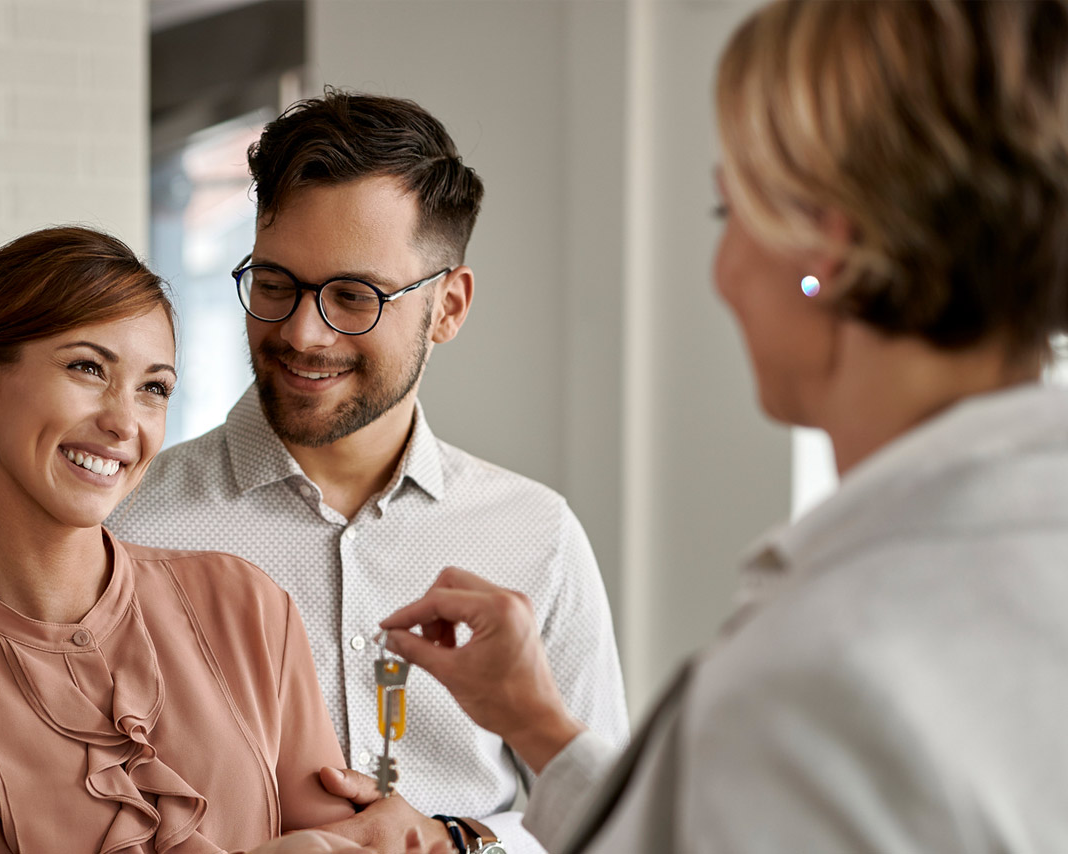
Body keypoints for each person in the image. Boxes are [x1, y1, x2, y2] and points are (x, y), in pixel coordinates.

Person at [378, 1, 1068, 851]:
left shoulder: (824, 679)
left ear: (828, 254)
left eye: (726, 212)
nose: (722, 272)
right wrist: (537, 725)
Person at [106, 91, 629, 853]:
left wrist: (454, 840)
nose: (301, 332)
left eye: (354, 296)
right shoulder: (131, 527)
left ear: (448, 307)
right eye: (276, 284)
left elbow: (606, 819)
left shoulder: (535, 537)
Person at [0, 226, 369, 854]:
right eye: (87, 368)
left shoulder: (246, 603)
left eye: (153, 388)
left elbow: (343, 840)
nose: (123, 422)